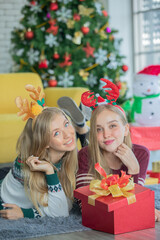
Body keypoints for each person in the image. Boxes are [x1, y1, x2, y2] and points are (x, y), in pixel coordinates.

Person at [76, 78, 160, 222]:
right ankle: (80, 126)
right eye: (98, 129)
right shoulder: (85, 154)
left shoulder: (141, 153)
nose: (106, 134)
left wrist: (133, 168)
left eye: (113, 126)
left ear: (126, 129)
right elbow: (85, 204)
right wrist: (140, 207)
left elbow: (134, 199)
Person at [0, 85, 78, 219]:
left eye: (66, 124)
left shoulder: (65, 153)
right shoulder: (30, 166)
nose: (68, 134)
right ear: (45, 142)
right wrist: (25, 213)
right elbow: (59, 212)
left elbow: (67, 202)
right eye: (57, 133)